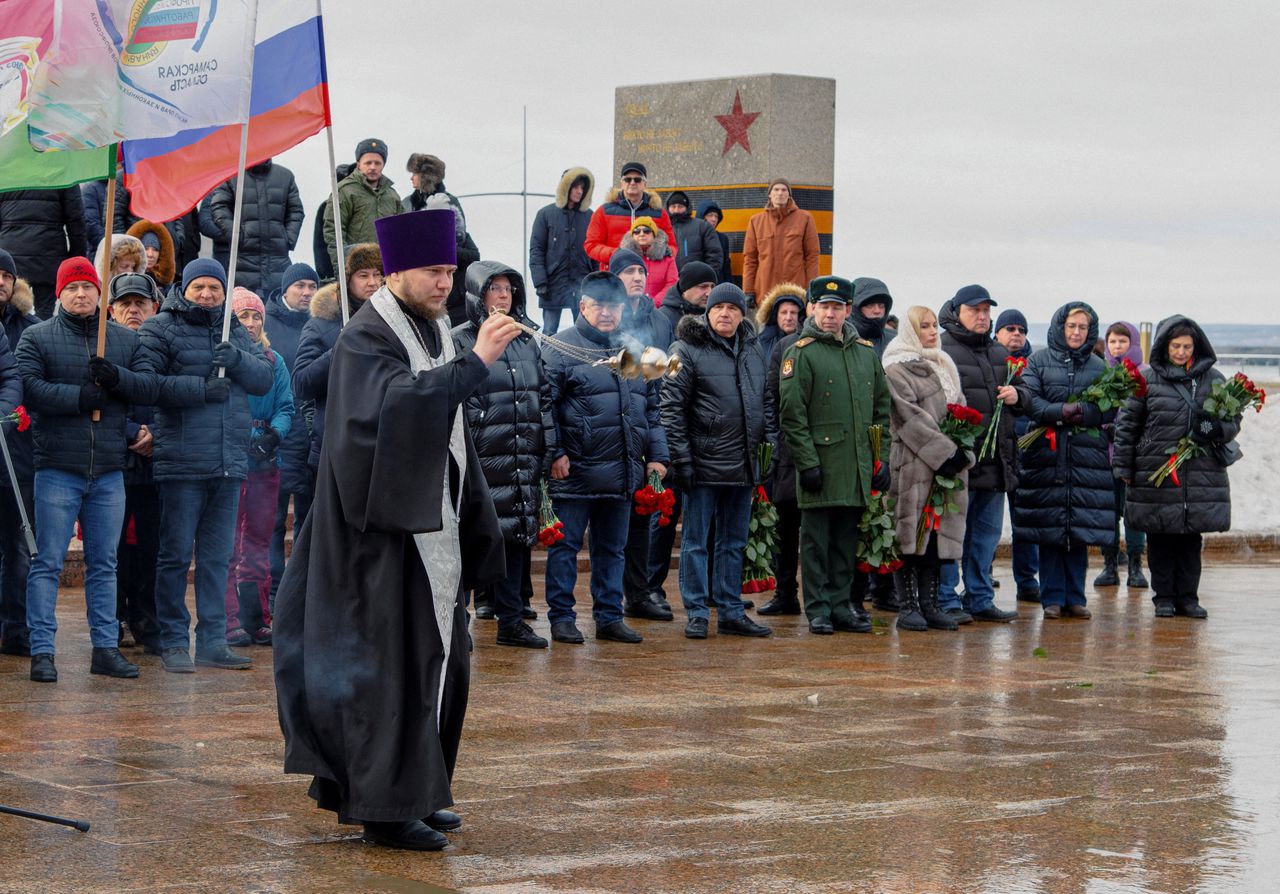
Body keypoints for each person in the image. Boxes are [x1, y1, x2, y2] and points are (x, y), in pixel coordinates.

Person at [274, 208, 519, 851]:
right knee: (386, 669)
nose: (446, 283)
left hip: (431, 525)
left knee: (438, 662)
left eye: (449, 272)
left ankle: (421, 789)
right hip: (378, 536)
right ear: (396, 272)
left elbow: (448, 424)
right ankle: (383, 808)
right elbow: (388, 413)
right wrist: (477, 364)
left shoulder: (432, 327)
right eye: (433, 272)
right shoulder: (364, 335)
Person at [15, 258, 157, 682]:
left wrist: (115, 380)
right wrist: (81, 397)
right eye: (72, 288)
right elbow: (31, 388)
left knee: (105, 563)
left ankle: (105, 648)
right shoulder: (36, 337)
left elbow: (147, 384)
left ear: (100, 294)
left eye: (88, 287)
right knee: (48, 563)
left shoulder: (122, 340)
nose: (81, 295)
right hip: (57, 468)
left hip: (110, 470)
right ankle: (42, 650)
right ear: (58, 294)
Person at [136, 258, 274, 672]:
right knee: (176, 556)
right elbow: (146, 383)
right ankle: (174, 641)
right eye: (200, 287)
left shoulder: (233, 329)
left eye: (215, 288)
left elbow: (263, 379)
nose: (208, 295)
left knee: (218, 559)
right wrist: (200, 389)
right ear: (186, 288)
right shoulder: (160, 326)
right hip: (180, 463)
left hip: (229, 463)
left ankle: (213, 639)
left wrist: (238, 361)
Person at [544, 271, 669, 645]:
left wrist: (657, 456)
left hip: (622, 468)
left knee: (612, 549)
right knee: (565, 548)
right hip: (576, 469)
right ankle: (562, 618)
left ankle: (609, 616)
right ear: (582, 306)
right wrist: (556, 451)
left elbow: (651, 410)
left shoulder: (633, 351)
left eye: (613, 306)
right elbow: (543, 406)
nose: (606, 313)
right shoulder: (559, 347)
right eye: (597, 305)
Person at [452, 261, 556, 648]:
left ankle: (512, 622)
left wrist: (546, 446)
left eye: (508, 289)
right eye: (493, 289)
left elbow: (543, 397)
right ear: (477, 296)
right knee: (467, 541)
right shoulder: (460, 338)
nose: (502, 296)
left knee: (515, 542)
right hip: (480, 457)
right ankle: (456, 622)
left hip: (520, 456)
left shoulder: (526, 340)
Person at [778, 276, 891, 635]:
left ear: (847, 310)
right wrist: (807, 462)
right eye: (823, 306)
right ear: (812, 308)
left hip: (856, 464)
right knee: (815, 543)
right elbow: (792, 416)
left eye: (837, 307)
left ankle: (842, 605)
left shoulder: (865, 353)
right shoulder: (802, 352)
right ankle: (818, 609)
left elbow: (881, 413)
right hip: (821, 465)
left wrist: (881, 458)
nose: (830, 314)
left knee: (846, 541)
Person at [662, 283, 773, 639]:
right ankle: (696, 611)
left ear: (743, 314)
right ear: (707, 312)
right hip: (703, 464)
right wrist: (682, 460)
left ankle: (729, 610)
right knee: (696, 541)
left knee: (734, 541)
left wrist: (768, 448)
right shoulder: (685, 348)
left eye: (732, 308)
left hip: (743, 464)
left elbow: (767, 404)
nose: (725, 313)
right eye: (718, 307)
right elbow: (671, 408)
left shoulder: (754, 350)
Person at [1113, 316, 1235, 619]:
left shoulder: (1213, 379)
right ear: (1165, 346)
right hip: (1157, 470)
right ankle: (1164, 597)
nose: (1181, 352)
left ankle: (1188, 598)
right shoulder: (1147, 379)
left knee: (1191, 539)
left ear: (1197, 347)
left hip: (1199, 471)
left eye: (1187, 346)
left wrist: (1215, 428)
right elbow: (1128, 426)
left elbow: (1233, 421)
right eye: (1176, 346)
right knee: (1160, 537)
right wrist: (1124, 467)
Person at [1014, 302, 1115, 620]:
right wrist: (1061, 412)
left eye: (1082, 327)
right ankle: (1052, 598)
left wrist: (1086, 412)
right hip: (1047, 455)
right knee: (1050, 530)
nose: (1076, 332)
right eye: (1071, 326)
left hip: (1086, 458)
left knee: (1079, 532)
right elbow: (1030, 399)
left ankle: (1076, 596)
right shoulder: (1039, 361)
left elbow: (1111, 407)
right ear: (1060, 327)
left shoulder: (1100, 367)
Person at [880, 306, 972, 631]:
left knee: (935, 537)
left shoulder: (943, 364)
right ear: (910, 331)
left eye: (934, 325)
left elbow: (958, 409)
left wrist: (962, 448)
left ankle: (931, 604)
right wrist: (945, 453)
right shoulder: (895, 367)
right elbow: (907, 417)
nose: (933, 331)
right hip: (911, 464)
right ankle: (908, 607)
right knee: (909, 535)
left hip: (943, 467)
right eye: (924, 326)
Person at [937, 285, 1024, 624]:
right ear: (957, 311)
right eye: (976, 310)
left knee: (985, 536)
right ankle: (946, 598)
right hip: (958, 462)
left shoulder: (999, 353)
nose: (983, 316)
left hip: (994, 461)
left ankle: (979, 596)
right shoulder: (943, 350)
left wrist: (1019, 395)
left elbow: (1026, 393)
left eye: (987, 311)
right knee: (951, 535)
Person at [644, 260, 719, 613]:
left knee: (706, 521)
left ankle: (711, 588)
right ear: (685, 287)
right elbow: (653, 374)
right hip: (669, 429)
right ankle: (650, 586)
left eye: (711, 287)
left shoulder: (716, 320)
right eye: (701, 287)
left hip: (705, 436)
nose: (707, 293)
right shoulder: (662, 319)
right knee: (664, 517)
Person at [223, 288, 294, 646]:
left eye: (255, 317)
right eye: (242, 317)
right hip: (232, 459)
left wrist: (274, 435)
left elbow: (286, 404)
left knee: (261, 542)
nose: (250, 323)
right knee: (229, 543)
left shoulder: (274, 359)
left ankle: (258, 617)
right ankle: (229, 620)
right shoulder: (223, 357)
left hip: (266, 459)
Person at [613, 248, 674, 622]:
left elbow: (658, 386)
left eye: (641, 270)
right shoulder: (601, 315)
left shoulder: (660, 320)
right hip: (606, 435)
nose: (637, 276)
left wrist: (659, 451)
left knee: (640, 524)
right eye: (629, 271)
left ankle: (640, 593)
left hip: (643, 424)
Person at [107, 272, 163, 654]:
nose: (132, 309)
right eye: (125, 303)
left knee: (151, 547)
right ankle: (113, 617)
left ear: (153, 307)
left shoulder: (164, 345)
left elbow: (173, 395)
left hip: (157, 464)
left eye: (139, 303)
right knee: (110, 548)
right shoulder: (102, 345)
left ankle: (146, 618)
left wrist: (155, 432)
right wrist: (131, 432)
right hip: (113, 460)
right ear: (111, 310)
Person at [292, 244, 382, 474]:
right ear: (346, 280)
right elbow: (302, 383)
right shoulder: (322, 324)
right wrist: (341, 348)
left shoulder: (394, 321)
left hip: (382, 445)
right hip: (336, 448)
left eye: (377, 274)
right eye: (363, 275)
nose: (372, 282)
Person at [757, 292, 816, 617]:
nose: (791, 317)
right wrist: (773, 445)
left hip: (819, 452)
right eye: (785, 311)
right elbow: (771, 398)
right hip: (786, 452)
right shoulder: (782, 348)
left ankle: (818, 596)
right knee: (785, 526)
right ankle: (785, 593)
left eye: (797, 311)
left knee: (816, 529)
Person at [265, 263, 319, 605]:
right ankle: (273, 594)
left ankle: (300, 594)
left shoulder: (323, 324)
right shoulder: (266, 323)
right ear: (285, 290)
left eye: (312, 286)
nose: (307, 292)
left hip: (312, 438)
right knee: (270, 523)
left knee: (308, 521)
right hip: (277, 438)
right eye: (299, 285)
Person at [0, 249, 38, 656]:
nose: (0, 283)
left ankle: (15, 628)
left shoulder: (31, 328)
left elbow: (22, 380)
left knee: (18, 549)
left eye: (5, 276)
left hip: (17, 456)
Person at [1094, 321, 1150, 589]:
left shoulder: (1144, 374)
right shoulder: (1102, 373)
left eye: (1123, 342)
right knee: (1108, 511)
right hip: (1105, 454)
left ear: (1133, 344)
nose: (1117, 347)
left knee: (1133, 512)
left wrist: (1129, 432)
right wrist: (1105, 427)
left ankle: (1137, 567)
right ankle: (1110, 565)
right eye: (1112, 342)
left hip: (1134, 457)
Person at [200, 159, 305, 294]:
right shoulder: (231, 176)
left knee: (278, 307)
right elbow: (218, 207)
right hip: (242, 262)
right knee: (241, 310)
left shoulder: (285, 176)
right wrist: (237, 236)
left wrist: (288, 239)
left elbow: (296, 211)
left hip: (277, 260)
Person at [993, 308, 1040, 604]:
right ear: (997, 333)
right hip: (994, 453)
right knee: (988, 521)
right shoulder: (989, 361)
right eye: (1009, 329)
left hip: (1026, 451)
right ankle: (982, 573)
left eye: (1021, 330)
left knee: (1025, 521)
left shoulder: (1034, 366)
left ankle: (1027, 579)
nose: (1016, 334)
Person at [403, 154, 480, 327]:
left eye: (414, 173)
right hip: (417, 285)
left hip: (453, 293)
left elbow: (465, 247)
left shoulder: (449, 203)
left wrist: (432, 247)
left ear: (426, 176)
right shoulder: (408, 203)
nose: (411, 178)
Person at [0, 187, 87, 318]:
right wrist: (76, 260)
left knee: (10, 312)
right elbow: (76, 219)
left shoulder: (6, 168)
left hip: (11, 254)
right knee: (44, 315)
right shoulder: (62, 170)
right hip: (49, 257)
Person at [529, 167, 595, 335]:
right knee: (550, 331)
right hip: (552, 284)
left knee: (583, 330)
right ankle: (545, 361)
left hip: (582, 284)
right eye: (575, 186)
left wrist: (596, 281)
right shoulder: (545, 214)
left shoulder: (590, 216)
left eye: (582, 188)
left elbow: (594, 250)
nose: (579, 191)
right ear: (565, 187)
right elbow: (536, 249)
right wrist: (540, 282)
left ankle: (582, 361)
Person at [323, 138, 402, 274]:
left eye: (377, 163)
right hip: (356, 269)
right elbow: (333, 232)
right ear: (359, 164)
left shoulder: (392, 195)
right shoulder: (344, 191)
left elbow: (401, 231)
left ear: (383, 165)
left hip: (387, 269)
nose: (372, 167)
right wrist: (342, 269)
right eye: (368, 162)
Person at [583, 162, 677, 269]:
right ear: (622, 183)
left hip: (651, 275)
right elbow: (591, 245)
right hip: (615, 272)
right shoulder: (603, 211)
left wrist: (661, 252)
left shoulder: (659, 213)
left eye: (637, 179)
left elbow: (672, 246)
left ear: (644, 184)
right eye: (627, 179)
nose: (632, 183)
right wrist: (617, 254)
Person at [741, 179, 818, 307]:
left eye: (784, 190)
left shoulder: (805, 218)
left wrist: (812, 287)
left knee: (795, 326)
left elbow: (812, 257)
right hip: (765, 294)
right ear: (770, 195)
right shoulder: (756, 221)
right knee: (765, 327)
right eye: (776, 189)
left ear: (789, 195)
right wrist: (748, 290)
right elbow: (750, 259)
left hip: (795, 293)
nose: (780, 193)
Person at [618, 216, 677, 303]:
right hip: (629, 309)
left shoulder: (667, 258)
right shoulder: (623, 258)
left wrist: (654, 303)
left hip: (660, 308)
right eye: (637, 232)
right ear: (632, 236)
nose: (641, 234)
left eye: (647, 231)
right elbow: (618, 283)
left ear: (654, 234)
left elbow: (672, 283)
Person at [665, 190, 723, 273]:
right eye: (673, 206)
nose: (676, 210)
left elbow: (714, 256)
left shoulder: (702, 226)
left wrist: (706, 278)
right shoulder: (660, 228)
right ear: (668, 208)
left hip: (696, 282)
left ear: (686, 208)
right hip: (668, 282)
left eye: (680, 206)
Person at [755, 282, 806, 360]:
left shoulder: (809, 341)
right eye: (784, 312)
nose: (788, 318)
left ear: (801, 316)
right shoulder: (761, 342)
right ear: (776, 315)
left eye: (793, 312)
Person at [850, 277, 895, 357]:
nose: (877, 311)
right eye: (870, 306)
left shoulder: (896, 341)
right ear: (856, 309)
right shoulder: (841, 340)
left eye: (881, 306)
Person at [126, 220, 176, 290]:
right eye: (146, 249)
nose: (150, 254)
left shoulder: (166, 285)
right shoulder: (125, 281)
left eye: (155, 250)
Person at [696, 199, 733, 286]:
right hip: (698, 284)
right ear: (702, 216)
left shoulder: (723, 238)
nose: (714, 219)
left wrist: (728, 286)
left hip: (718, 285)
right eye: (710, 215)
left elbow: (726, 267)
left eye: (716, 216)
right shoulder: (693, 236)